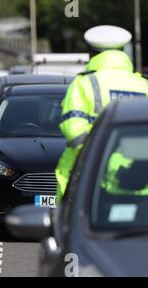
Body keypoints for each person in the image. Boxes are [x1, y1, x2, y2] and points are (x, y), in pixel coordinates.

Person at [56, 25, 148, 203]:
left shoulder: (83, 84)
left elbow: (74, 134)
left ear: (91, 55)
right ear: (123, 52)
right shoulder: (143, 85)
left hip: (89, 187)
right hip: (141, 184)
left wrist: (107, 156)